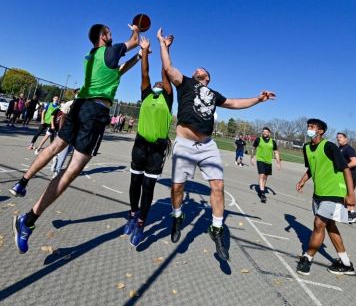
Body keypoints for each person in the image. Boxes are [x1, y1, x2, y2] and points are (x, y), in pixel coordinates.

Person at [10, 23, 140, 254]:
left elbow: (118, 70)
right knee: (71, 170)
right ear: (103, 36)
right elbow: (133, 41)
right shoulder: (110, 50)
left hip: (80, 106)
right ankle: (27, 221)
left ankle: (23, 182)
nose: (112, 35)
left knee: (57, 145)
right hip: (95, 111)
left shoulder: (91, 57)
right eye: (109, 32)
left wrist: (138, 59)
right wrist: (137, 29)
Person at [157, 28, 276, 261]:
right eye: (196, 70)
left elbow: (234, 103)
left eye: (200, 69)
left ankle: (217, 228)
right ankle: (178, 215)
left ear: (208, 77)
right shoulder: (186, 83)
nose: (196, 69)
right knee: (177, 188)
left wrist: (258, 99)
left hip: (208, 145)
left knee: (218, 186)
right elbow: (169, 68)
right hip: (185, 144)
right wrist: (164, 45)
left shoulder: (213, 94)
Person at [124, 35, 173, 247]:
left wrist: (165, 47)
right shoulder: (146, 94)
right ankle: (133, 214)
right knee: (135, 183)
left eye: (162, 82)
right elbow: (145, 72)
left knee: (148, 186)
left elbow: (165, 71)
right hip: (140, 144)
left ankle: (142, 224)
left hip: (157, 148)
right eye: (156, 83)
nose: (158, 82)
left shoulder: (168, 98)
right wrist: (144, 50)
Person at [296, 118, 356, 276]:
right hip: (318, 194)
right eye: (308, 126)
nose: (309, 128)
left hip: (334, 192)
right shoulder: (306, 147)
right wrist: (302, 181)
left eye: (313, 126)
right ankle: (346, 264)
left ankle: (307, 258)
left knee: (318, 224)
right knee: (330, 226)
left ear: (320, 131)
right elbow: (311, 167)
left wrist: (351, 195)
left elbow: (346, 169)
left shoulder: (329, 146)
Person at [251, 127, 281, 203]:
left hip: (268, 162)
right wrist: (252, 157)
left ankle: (262, 189)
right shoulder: (258, 139)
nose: (264, 133)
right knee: (261, 175)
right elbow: (253, 148)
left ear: (269, 133)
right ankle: (262, 193)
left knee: (265, 177)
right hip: (260, 160)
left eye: (266, 132)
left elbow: (276, 152)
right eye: (263, 131)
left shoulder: (273, 142)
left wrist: (278, 162)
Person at [336, 132, 356, 223]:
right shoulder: (340, 148)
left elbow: (354, 162)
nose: (338, 139)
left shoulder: (348, 149)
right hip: (344, 175)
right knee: (345, 194)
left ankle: (351, 214)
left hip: (350, 175)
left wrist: (343, 167)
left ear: (346, 139)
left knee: (349, 194)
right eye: (337, 137)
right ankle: (350, 214)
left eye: (341, 137)